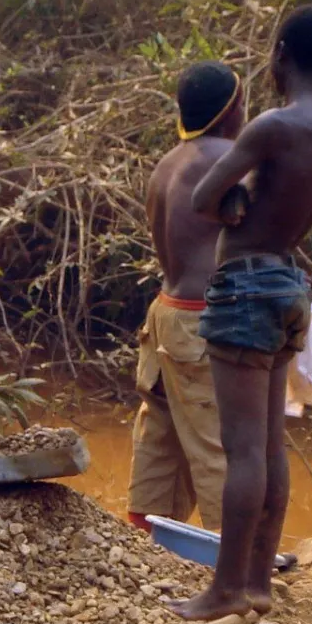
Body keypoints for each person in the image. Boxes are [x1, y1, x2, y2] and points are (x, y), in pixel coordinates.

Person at [175, 6, 312, 621]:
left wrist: (235, 197)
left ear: (279, 54)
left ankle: (224, 590)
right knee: (271, 448)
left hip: (245, 287)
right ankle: (257, 585)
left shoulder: (276, 124)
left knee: (242, 448)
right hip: (289, 285)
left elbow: (203, 196)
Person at [127, 61, 246, 534]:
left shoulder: (168, 163)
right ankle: (230, 564)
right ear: (233, 109)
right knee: (221, 447)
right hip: (204, 321)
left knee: (163, 435)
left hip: (165, 313)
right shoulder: (231, 159)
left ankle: (142, 544)